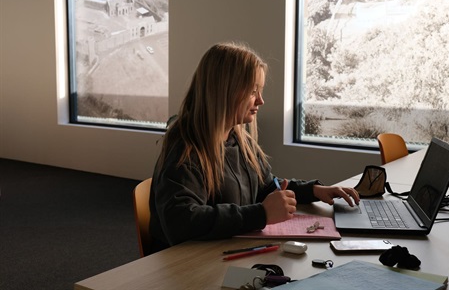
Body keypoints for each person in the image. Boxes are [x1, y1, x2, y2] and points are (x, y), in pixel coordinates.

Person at [149, 42, 360, 252]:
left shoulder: (239, 141)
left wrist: (313, 190)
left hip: (225, 250)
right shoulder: (185, 151)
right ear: (224, 92)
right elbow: (182, 222)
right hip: (188, 266)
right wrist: (261, 215)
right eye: (252, 91)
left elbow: (266, 187)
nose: (261, 100)